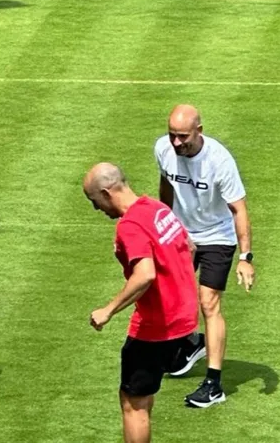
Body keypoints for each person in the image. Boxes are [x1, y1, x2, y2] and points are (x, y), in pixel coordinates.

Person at [84, 163, 198, 443]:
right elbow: (190, 247)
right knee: (144, 397)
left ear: (106, 193)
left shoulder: (130, 225)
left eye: (94, 201)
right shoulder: (157, 208)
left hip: (155, 327)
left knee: (132, 404)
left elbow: (144, 274)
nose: (96, 209)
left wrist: (107, 310)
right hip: (183, 317)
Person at [155, 104, 254, 408]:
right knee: (169, 296)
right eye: (172, 135)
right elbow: (166, 185)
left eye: (182, 136)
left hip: (216, 236)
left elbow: (239, 209)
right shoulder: (163, 148)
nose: (176, 142)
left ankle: (213, 384)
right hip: (182, 233)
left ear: (199, 131)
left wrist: (245, 257)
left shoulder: (219, 160)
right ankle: (190, 343)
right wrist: (166, 226)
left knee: (208, 302)